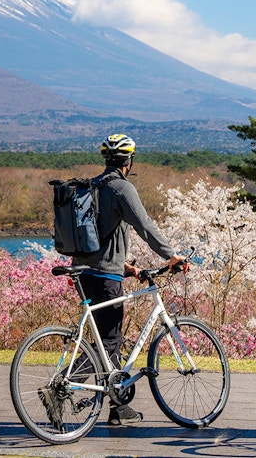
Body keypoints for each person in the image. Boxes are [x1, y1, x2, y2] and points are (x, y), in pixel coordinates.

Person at [73, 133, 188, 426]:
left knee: (107, 341)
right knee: (109, 341)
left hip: (84, 272)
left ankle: (118, 406)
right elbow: (145, 226)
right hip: (103, 276)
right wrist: (170, 256)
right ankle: (63, 388)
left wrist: (128, 268)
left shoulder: (92, 187)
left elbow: (96, 238)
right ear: (129, 160)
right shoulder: (122, 189)